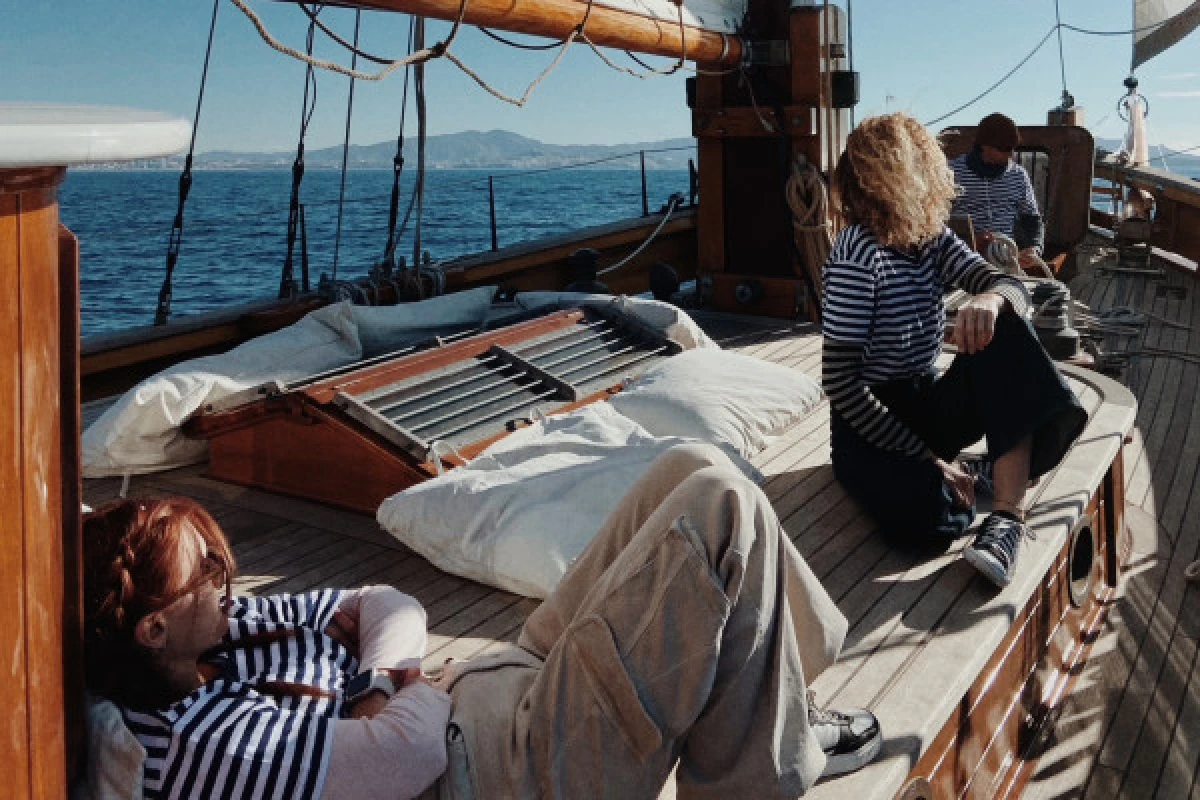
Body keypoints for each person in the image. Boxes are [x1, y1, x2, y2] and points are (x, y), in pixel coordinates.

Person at [83, 444, 882, 800]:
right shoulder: (199, 747)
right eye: (207, 575)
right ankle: (766, 768)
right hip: (511, 775)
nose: (231, 582)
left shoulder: (225, 631)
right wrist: (404, 691)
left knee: (690, 465)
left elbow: (384, 603)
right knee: (722, 511)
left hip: (484, 692)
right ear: (151, 630)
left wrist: (375, 687)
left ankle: (785, 699)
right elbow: (406, 756)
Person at [823, 112, 1088, 588]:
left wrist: (991, 297)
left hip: (924, 400)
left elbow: (1009, 283)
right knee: (927, 526)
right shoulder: (855, 252)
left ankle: (1006, 520)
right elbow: (841, 384)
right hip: (868, 418)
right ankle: (970, 470)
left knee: (1007, 329)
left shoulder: (930, 239)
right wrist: (925, 458)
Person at [948, 113, 1049, 274]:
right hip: (962, 261)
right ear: (984, 145)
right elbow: (937, 221)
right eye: (1004, 149)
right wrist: (971, 241)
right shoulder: (951, 173)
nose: (1010, 155)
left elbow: (1032, 219)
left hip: (1006, 261)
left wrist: (1034, 247)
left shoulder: (1018, 175)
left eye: (1013, 149)